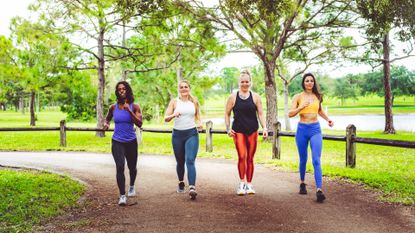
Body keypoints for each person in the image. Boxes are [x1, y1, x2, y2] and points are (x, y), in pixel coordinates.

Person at [288, 73, 333, 203]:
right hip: (302, 129)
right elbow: (290, 114)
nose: (309, 83)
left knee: (316, 160)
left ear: (314, 83)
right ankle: (302, 183)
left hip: (315, 129)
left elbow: (319, 111)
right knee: (303, 159)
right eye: (307, 81)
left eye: (311, 81)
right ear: (303, 83)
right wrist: (301, 107)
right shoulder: (298, 97)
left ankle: (319, 190)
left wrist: (328, 119)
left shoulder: (317, 96)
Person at [225, 70, 268, 196]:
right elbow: (227, 114)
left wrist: (264, 127)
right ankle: (242, 183)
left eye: (247, 82)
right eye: (242, 82)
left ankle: (249, 184)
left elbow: (260, 113)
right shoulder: (233, 97)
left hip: (252, 130)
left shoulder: (256, 97)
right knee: (242, 156)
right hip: (238, 130)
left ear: (250, 82)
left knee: (250, 158)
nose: (245, 84)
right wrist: (228, 129)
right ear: (239, 83)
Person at [103, 81, 143, 206]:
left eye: (124, 89)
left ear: (128, 91)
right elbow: (108, 118)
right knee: (120, 166)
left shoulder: (135, 106)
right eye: (119, 89)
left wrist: (129, 111)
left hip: (131, 141)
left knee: (132, 167)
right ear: (117, 91)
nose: (121, 91)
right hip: (117, 141)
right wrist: (106, 123)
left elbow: (139, 123)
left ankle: (131, 185)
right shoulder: (113, 107)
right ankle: (122, 195)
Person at [164, 80, 202, 200]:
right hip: (177, 135)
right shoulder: (174, 102)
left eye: (186, 87)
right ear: (179, 89)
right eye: (181, 87)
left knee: (190, 160)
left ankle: (192, 187)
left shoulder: (194, 101)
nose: (184, 89)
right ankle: (181, 181)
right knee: (180, 162)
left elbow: (198, 116)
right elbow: (166, 118)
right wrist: (173, 115)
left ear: (189, 88)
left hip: (191, 133)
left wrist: (200, 124)